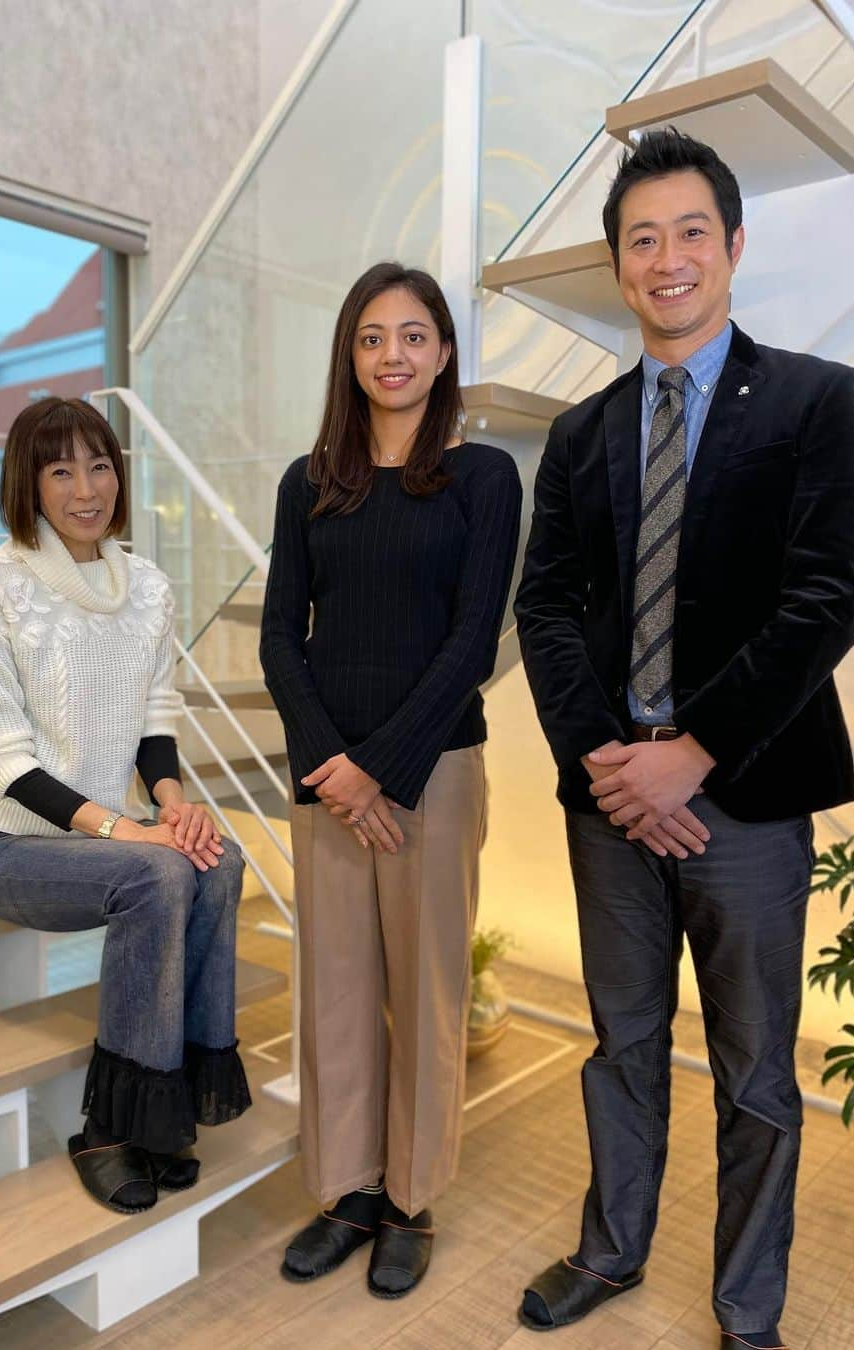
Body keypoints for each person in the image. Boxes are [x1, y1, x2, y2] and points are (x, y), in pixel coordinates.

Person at [513, 129, 854, 1348]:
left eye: (689, 234)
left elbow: (827, 599)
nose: (666, 259)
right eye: (641, 239)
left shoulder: (817, 401)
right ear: (619, 266)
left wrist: (695, 750)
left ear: (731, 246)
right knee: (620, 1046)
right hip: (612, 799)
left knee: (757, 1072)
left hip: (751, 797)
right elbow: (547, 608)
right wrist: (616, 769)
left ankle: (746, 1312)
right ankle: (611, 1253)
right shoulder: (580, 434)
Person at [260, 261, 521, 1298]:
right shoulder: (308, 481)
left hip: (434, 772)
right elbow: (285, 638)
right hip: (331, 780)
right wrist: (336, 770)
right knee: (335, 991)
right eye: (372, 338)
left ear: (444, 352)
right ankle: (348, 1191)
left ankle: (412, 1199)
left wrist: (382, 771)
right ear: (350, 355)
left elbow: (472, 642)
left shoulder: (485, 478)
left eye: (413, 336)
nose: (393, 355)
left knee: (425, 992)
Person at [0, 396, 251, 1216]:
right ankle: (110, 1129)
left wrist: (174, 806)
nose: (87, 488)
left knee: (217, 863)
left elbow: (157, 716)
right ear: (29, 483)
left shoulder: (145, 585)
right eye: (61, 470)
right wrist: (127, 830)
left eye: (100, 464)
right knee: (156, 875)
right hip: (3, 846)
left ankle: (165, 1104)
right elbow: (4, 761)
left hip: (98, 838)